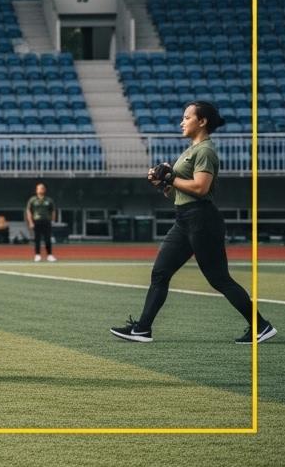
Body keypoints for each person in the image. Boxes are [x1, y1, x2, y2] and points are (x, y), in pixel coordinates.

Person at [111, 101, 276, 345]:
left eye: (187, 117)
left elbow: (200, 187)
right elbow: (179, 192)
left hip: (203, 220)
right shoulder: (190, 150)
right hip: (184, 219)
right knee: (160, 272)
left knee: (218, 279)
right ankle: (142, 329)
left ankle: (261, 326)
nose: (182, 121)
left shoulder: (205, 151)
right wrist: (162, 184)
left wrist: (170, 176)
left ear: (202, 121)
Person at [25, 183, 57, 261]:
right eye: (39, 188)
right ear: (36, 190)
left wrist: (52, 221)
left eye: (42, 188)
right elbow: (28, 211)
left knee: (47, 239)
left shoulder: (49, 200)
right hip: (36, 221)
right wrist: (30, 222)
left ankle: (49, 255)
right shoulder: (32, 200)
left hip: (46, 221)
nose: (41, 189)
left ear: (45, 190)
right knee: (37, 239)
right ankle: (37, 255)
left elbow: (53, 211)